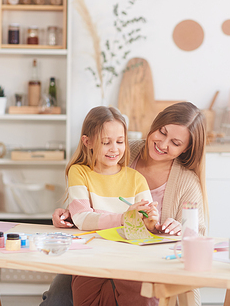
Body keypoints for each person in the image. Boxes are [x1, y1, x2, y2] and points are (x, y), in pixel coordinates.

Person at [41, 102, 208, 306]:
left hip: (146, 261)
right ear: (155, 124)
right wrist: (71, 213)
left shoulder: (187, 182)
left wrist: (180, 229)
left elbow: (197, 237)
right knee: (57, 299)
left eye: (175, 142)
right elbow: (94, 197)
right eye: (162, 132)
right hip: (96, 250)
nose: (163, 144)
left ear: (186, 148)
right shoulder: (123, 149)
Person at [61, 105, 161, 306]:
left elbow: (144, 225)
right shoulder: (79, 172)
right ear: (87, 142)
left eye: (120, 141)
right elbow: (82, 218)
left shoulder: (136, 179)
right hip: (90, 254)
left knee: (144, 297)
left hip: (128, 255)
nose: (114, 149)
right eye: (106, 142)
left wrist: (151, 221)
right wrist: (124, 217)